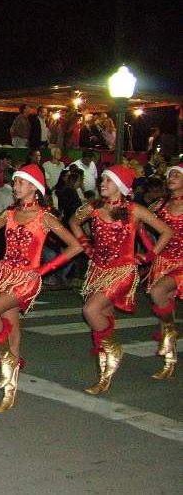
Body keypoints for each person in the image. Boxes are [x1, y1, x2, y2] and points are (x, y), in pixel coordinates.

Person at [0, 165, 82, 412]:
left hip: (26, 280)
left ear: (35, 187)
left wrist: (42, 270)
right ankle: (10, 392)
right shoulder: (9, 213)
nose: (15, 186)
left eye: (20, 182)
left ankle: (7, 361)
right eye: (15, 182)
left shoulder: (45, 217)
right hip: (4, 276)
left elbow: (75, 246)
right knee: (12, 331)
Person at [70, 165, 172, 395]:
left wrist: (149, 256)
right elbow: (73, 221)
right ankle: (104, 375)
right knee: (103, 317)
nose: (102, 183)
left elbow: (166, 232)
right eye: (102, 179)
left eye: (108, 180)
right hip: (97, 271)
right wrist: (86, 246)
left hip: (122, 272)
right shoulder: (94, 207)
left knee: (91, 310)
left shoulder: (135, 210)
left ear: (121, 186)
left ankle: (113, 349)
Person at [144, 164, 182, 379]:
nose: (172, 177)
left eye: (177, 174)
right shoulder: (160, 204)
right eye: (170, 174)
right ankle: (170, 361)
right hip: (164, 262)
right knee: (164, 307)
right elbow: (139, 224)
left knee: (157, 292)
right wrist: (150, 249)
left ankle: (170, 332)